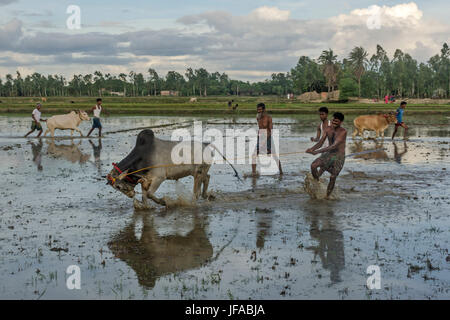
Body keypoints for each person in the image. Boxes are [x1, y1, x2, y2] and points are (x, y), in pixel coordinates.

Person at [306, 112, 347, 198]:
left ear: (341, 122)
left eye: (336, 121)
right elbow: (321, 142)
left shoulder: (343, 132)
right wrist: (312, 149)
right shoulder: (328, 129)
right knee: (313, 166)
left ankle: (327, 197)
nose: (334, 123)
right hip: (329, 154)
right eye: (333, 120)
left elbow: (334, 146)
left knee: (332, 177)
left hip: (339, 156)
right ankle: (317, 182)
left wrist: (316, 152)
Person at [252, 103, 283, 176]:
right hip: (260, 137)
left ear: (264, 110)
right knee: (254, 155)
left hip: (268, 138)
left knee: (274, 155)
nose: (258, 111)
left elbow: (270, 131)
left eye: (260, 109)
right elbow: (260, 129)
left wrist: (264, 141)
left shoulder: (269, 118)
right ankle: (253, 173)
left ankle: (281, 172)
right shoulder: (258, 118)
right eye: (257, 109)